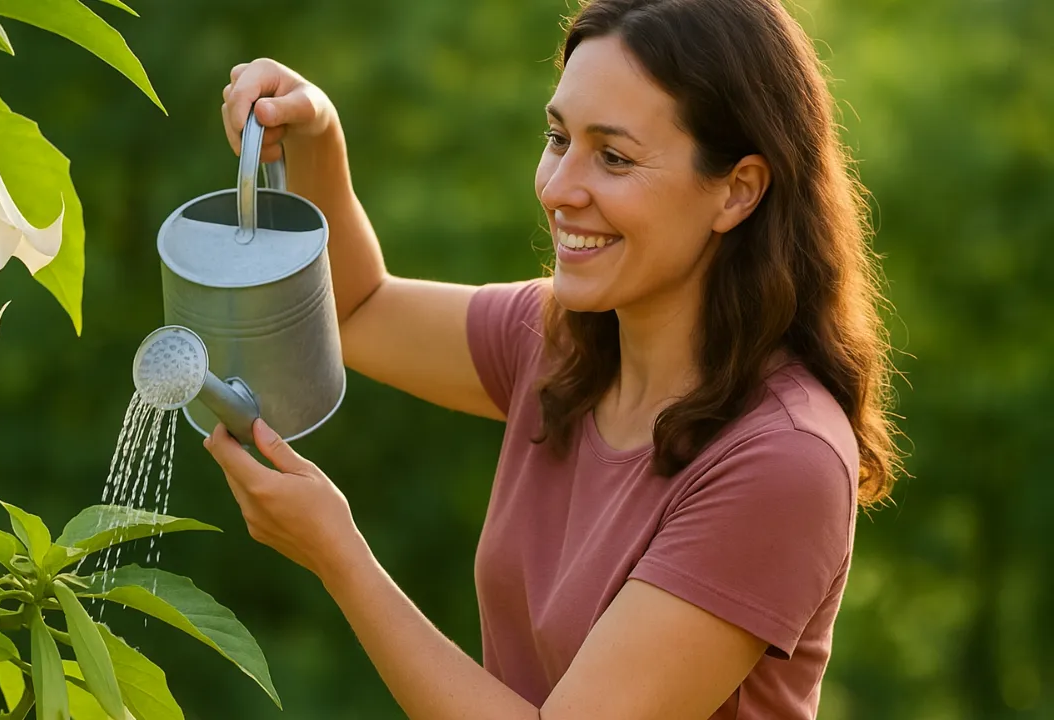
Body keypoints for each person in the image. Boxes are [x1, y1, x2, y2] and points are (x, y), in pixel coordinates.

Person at [203, 0, 903, 717]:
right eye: (557, 137)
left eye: (614, 158)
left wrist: (338, 556)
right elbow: (357, 311)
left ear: (737, 190)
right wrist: (318, 133)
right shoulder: (561, 341)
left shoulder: (781, 459)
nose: (558, 188)